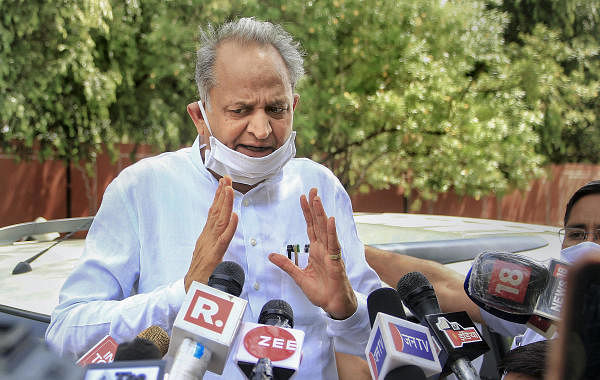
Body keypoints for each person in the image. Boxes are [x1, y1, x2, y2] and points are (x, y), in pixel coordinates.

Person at [45, 18, 381, 379]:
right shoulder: (141, 190)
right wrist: (182, 295)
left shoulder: (321, 188)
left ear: (294, 105)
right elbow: (64, 334)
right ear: (199, 116)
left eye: (276, 109)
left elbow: (375, 344)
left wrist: (346, 309)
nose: (261, 129)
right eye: (240, 110)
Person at [366, 180, 600, 346]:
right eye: (577, 234)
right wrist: (352, 252)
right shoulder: (542, 301)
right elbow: (446, 287)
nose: (588, 246)